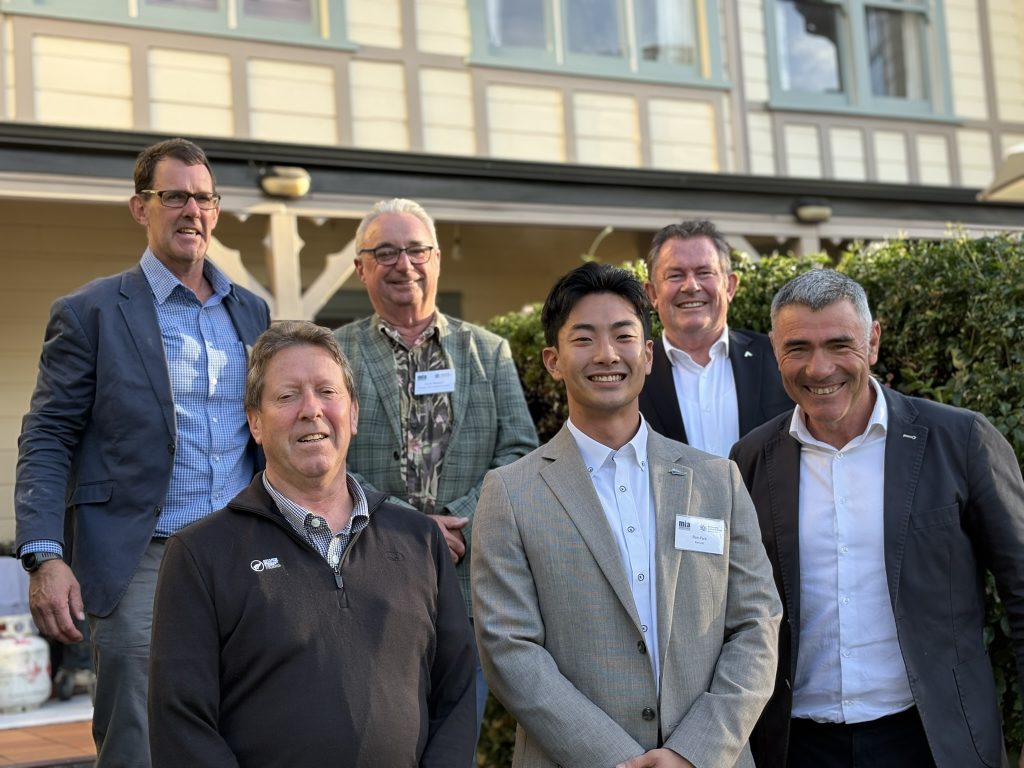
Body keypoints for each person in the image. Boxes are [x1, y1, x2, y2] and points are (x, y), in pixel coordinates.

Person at [14, 138, 269, 766]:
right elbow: (47, 435)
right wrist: (44, 555)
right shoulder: (91, 312)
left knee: (251, 722)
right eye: (174, 196)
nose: (192, 210)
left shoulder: (251, 311)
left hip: (243, 550)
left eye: (204, 198)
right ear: (140, 207)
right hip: (141, 558)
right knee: (138, 737)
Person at [472, 262, 782, 768]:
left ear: (649, 355)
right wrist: (614, 759)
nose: (607, 355)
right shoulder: (511, 492)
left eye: (623, 336)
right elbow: (509, 649)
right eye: (584, 339)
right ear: (553, 360)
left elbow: (757, 623)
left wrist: (693, 751)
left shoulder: (716, 480)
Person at [730, 269, 1024, 768]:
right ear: (776, 350)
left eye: (839, 344)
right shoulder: (750, 458)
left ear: (873, 343)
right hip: (797, 747)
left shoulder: (960, 440)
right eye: (798, 347)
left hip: (934, 742)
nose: (819, 368)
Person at [148, 321, 477, 767]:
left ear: (353, 414)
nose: (311, 410)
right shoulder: (200, 555)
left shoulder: (419, 540)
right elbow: (181, 724)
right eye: (287, 396)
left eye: (327, 391)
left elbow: (456, 694)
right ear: (255, 423)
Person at [334, 197, 538, 727]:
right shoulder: (334, 354)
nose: (403, 264)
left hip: (465, 583)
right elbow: (324, 459)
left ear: (437, 259)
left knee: (455, 734)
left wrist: (458, 519)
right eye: (385, 252)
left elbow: (520, 452)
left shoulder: (488, 352)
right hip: (368, 577)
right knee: (373, 734)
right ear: (361, 268)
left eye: (416, 250)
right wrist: (410, 526)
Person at [639, 220, 791, 456]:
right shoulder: (634, 374)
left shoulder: (777, 357)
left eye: (704, 272)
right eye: (675, 275)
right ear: (652, 293)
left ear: (730, 286)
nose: (691, 286)